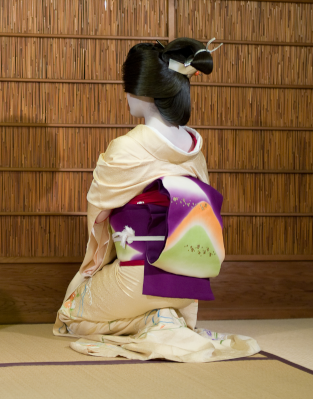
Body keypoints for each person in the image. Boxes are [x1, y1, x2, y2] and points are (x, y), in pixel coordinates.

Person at [54, 38, 260, 362]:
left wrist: (95, 263)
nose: (125, 96)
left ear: (144, 93)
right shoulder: (195, 149)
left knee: (71, 317)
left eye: (128, 88)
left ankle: (155, 320)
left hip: (139, 276)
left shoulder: (127, 148)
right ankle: (170, 314)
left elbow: (98, 218)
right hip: (190, 281)